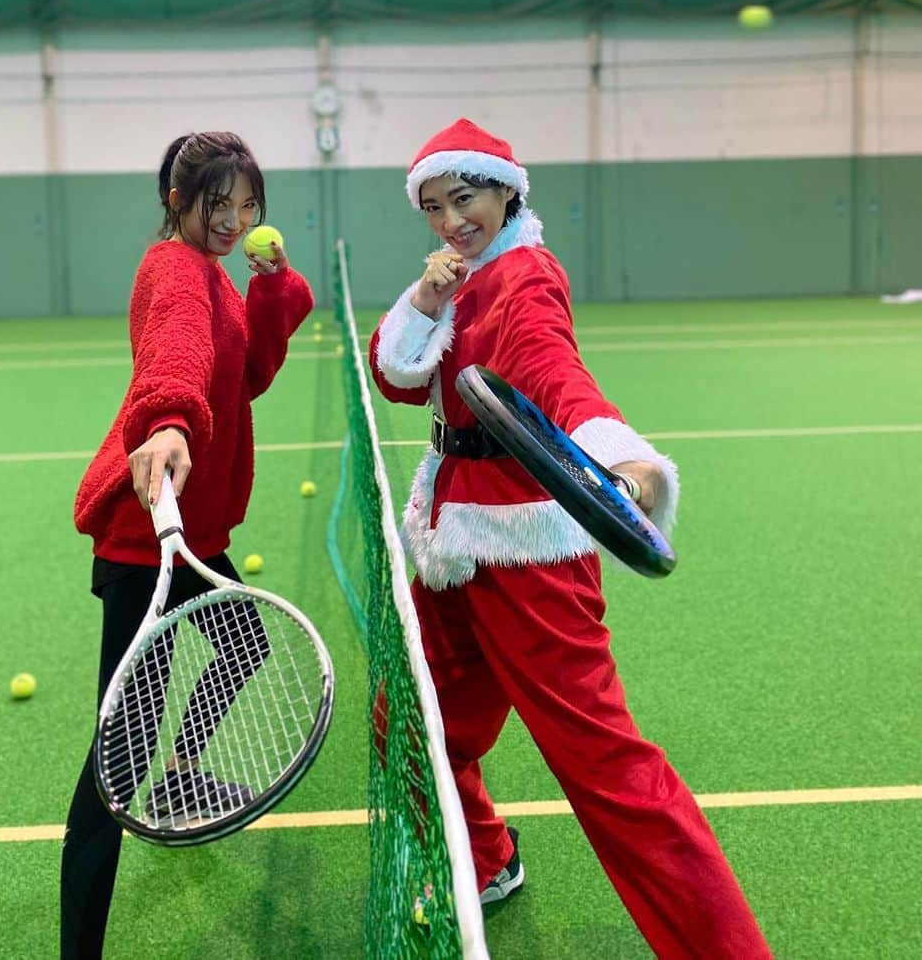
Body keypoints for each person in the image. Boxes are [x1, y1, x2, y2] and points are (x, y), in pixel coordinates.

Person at [369, 118, 771, 958]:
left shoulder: (524, 278)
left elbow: (556, 373)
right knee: (408, 726)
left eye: (466, 198)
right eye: (436, 207)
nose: (451, 222)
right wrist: (427, 301)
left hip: (530, 560)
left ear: (508, 190)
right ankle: (486, 855)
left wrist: (627, 463)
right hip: (452, 544)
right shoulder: (466, 277)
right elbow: (399, 379)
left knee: (607, 773)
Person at [61, 130, 314, 960]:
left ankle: (180, 775)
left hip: (194, 529)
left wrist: (272, 291)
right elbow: (173, 352)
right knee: (112, 773)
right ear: (177, 200)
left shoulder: (216, 273)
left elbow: (245, 375)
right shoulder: (174, 270)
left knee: (243, 644)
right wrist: (167, 419)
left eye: (248, 206)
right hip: (148, 536)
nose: (235, 220)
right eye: (219, 203)